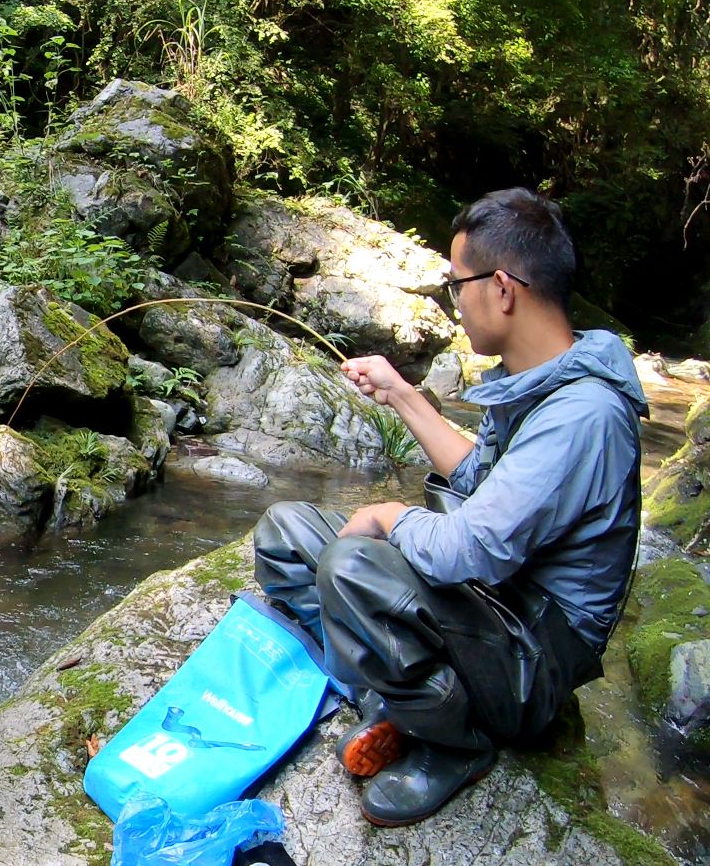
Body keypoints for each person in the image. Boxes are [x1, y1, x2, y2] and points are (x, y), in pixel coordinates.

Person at [253, 188, 647, 826]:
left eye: (457, 285)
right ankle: (395, 691)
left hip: (532, 654)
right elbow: (480, 477)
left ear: (502, 288)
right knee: (287, 530)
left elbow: (473, 548)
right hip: (496, 605)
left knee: (351, 566)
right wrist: (403, 394)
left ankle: (452, 741)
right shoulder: (543, 377)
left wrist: (386, 514)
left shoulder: (585, 413)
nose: (454, 303)